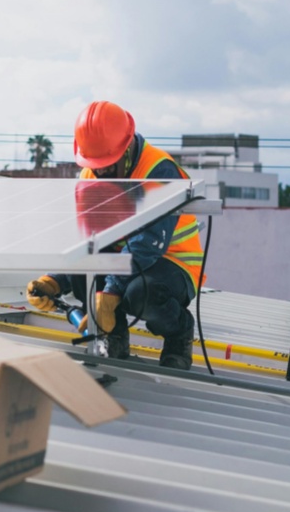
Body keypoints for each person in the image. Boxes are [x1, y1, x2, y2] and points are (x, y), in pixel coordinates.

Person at [26, 100, 204, 370]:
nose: (101, 172)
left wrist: (110, 293)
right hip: (126, 260)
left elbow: (147, 244)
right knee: (83, 271)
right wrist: (55, 280)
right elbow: (88, 242)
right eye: (96, 165)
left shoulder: (158, 169)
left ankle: (179, 335)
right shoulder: (89, 177)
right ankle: (113, 337)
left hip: (173, 264)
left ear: (128, 147)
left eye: (108, 165)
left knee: (140, 293)